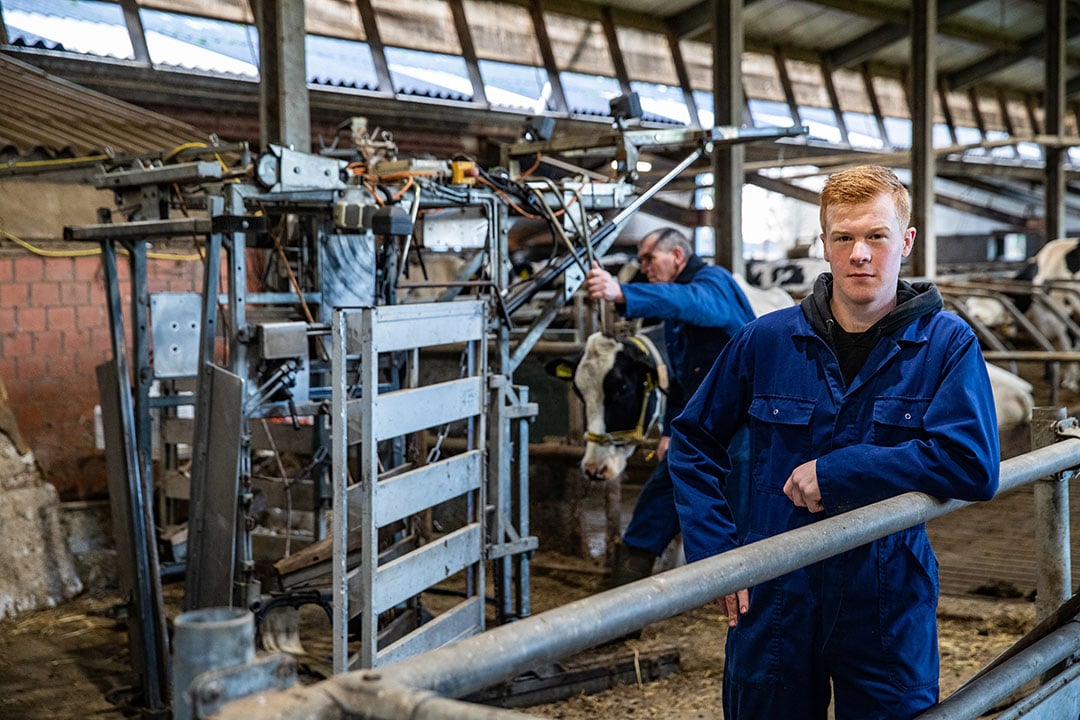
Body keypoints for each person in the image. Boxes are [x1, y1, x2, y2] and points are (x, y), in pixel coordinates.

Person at [667, 165, 1000, 719]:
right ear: (824, 244)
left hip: (886, 593)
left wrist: (845, 471)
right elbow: (692, 439)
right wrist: (716, 555)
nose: (859, 254)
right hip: (774, 590)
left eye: (876, 235)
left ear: (906, 242)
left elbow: (972, 464)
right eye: (843, 237)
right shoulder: (767, 340)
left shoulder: (945, 344)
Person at [584, 227, 756, 586]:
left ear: (677, 256)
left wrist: (622, 292)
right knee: (655, 507)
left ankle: (745, 604)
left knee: (742, 518)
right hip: (697, 429)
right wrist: (668, 431)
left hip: (742, 428)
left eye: (650, 258)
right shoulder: (678, 308)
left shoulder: (712, 283)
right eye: (641, 259)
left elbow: (691, 302)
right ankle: (618, 613)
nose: (644, 265)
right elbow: (681, 376)